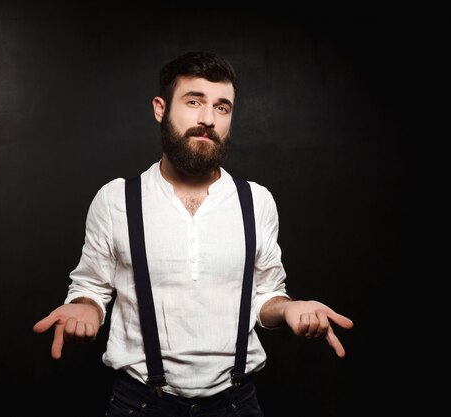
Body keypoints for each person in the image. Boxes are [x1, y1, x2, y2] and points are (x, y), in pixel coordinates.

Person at [33, 51, 353, 416]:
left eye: (222, 107)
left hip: (236, 403)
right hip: (140, 403)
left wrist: (290, 307)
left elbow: (266, 295)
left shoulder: (256, 201)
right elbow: (90, 288)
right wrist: (85, 309)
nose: (207, 119)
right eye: (194, 101)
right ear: (160, 108)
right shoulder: (117, 199)